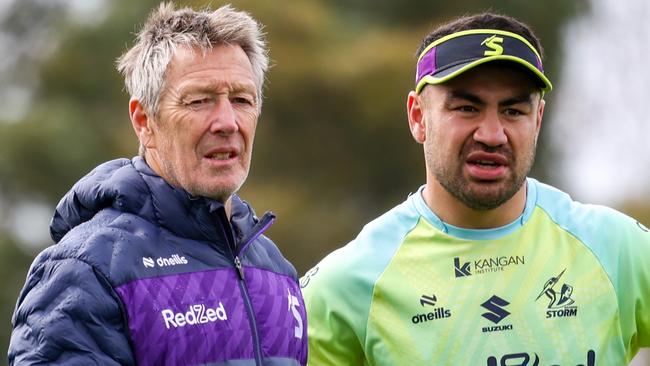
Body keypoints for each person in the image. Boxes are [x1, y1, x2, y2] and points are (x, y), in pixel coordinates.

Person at [301, 12, 650, 365]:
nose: (492, 134)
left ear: (538, 120)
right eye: (467, 108)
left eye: (513, 111)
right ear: (418, 117)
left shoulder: (616, 249)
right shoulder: (349, 282)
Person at [9, 3, 307, 365]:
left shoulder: (276, 269)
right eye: (200, 101)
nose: (227, 122)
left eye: (242, 100)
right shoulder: (86, 273)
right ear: (144, 121)